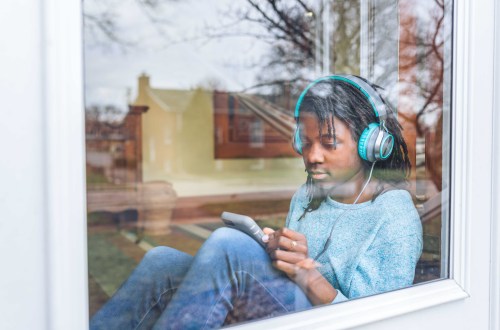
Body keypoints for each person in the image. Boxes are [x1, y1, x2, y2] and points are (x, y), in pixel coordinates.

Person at [90, 75, 423, 330]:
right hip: (293, 304)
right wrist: (275, 252)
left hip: (329, 320)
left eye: (329, 143)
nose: (312, 156)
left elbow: (381, 322)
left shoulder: (393, 214)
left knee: (228, 244)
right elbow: (284, 278)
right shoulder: (307, 196)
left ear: (371, 145)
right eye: (304, 143)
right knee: (161, 261)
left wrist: (310, 277)